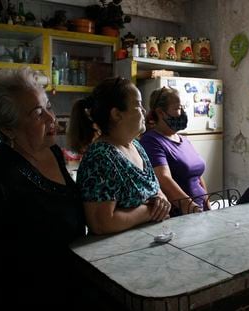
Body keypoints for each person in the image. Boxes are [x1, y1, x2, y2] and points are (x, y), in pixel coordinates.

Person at [0, 67, 95, 307]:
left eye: (49, 107)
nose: (51, 118)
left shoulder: (52, 151)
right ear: (7, 128)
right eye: (38, 113)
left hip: (75, 285)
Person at [67, 77, 171, 235]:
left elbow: (154, 191)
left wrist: (161, 200)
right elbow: (102, 223)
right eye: (138, 104)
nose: (144, 111)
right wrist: (150, 212)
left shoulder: (136, 146)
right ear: (116, 114)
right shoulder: (101, 156)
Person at [140, 87, 209, 216]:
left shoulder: (184, 140)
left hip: (200, 211)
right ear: (160, 113)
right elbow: (163, 179)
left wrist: (207, 205)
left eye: (182, 107)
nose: (182, 112)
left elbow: (198, 176)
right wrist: (190, 207)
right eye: (177, 108)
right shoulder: (151, 141)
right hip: (181, 215)